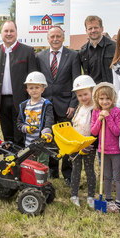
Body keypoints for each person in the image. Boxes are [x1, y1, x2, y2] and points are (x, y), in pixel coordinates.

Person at [36, 26, 80, 183]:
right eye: (52, 36)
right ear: (47, 38)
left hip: (66, 105)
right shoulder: (40, 56)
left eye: (58, 36)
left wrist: (73, 104)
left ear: (63, 38)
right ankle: (52, 170)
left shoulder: (73, 55)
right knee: (49, 138)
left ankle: (67, 173)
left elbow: (76, 81)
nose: (55, 39)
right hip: (46, 105)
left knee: (67, 141)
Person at [0, 21, 38, 147]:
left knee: (20, 135)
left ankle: (20, 163)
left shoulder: (28, 51)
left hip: (22, 101)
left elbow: (34, 79)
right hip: (2, 102)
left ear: (16, 32)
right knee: (7, 135)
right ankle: (9, 161)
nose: (9, 34)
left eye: (11, 31)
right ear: (1, 33)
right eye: (6, 31)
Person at [91, 82, 120, 213]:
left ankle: (119, 201)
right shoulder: (95, 112)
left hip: (116, 150)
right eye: (102, 99)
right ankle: (108, 199)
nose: (105, 101)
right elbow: (93, 132)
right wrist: (99, 119)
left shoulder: (117, 112)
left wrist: (108, 117)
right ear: (97, 99)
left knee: (117, 176)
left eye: (108, 99)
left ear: (113, 99)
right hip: (102, 149)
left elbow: (117, 131)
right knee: (106, 176)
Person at [68, 75, 97, 208]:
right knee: (76, 169)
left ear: (92, 91)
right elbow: (75, 126)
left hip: (88, 145)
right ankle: (74, 195)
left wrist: (90, 144)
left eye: (85, 94)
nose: (83, 97)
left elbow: (95, 129)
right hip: (76, 144)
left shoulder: (95, 109)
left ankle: (91, 196)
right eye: (80, 95)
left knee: (89, 169)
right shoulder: (79, 108)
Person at [16, 72, 55, 166]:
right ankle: (32, 179)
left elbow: (49, 119)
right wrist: (26, 128)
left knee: (42, 162)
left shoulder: (46, 104)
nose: (34, 90)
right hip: (29, 142)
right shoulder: (23, 105)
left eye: (37, 88)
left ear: (43, 89)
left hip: (42, 141)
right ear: (27, 90)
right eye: (31, 88)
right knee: (30, 163)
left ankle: (43, 179)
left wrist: (46, 132)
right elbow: (19, 123)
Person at [79, 15, 116, 84]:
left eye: (96, 27)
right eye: (90, 28)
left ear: (102, 28)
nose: (93, 30)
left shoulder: (114, 47)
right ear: (86, 31)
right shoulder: (83, 51)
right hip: (92, 92)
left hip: (111, 91)